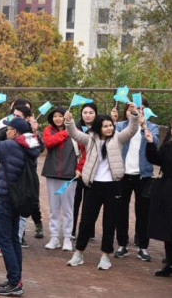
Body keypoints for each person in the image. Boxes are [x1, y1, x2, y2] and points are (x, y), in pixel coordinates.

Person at [64, 105, 140, 270]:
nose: (109, 128)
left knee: (109, 222)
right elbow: (74, 133)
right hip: (93, 186)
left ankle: (105, 256)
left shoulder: (118, 138)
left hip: (113, 186)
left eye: (110, 125)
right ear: (98, 127)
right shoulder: (90, 139)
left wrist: (134, 114)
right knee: (86, 221)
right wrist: (69, 122)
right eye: (105, 126)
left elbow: (132, 129)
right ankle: (78, 253)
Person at [0, 112, 41, 298]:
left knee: (4, 241)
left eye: (8, 129)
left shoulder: (11, 146)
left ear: (15, 132)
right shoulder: (30, 145)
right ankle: (15, 279)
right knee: (14, 240)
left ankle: (15, 282)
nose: (6, 131)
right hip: (18, 197)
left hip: (6, 197)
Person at [112, 101, 159, 262]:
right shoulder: (120, 126)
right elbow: (112, 140)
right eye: (132, 109)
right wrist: (114, 121)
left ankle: (143, 247)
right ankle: (122, 245)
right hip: (123, 175)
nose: (137, 112)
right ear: (127, 111)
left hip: (143, 176)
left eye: (141, 109)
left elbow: (155, 143)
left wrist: (143, 126)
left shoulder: (152, 127)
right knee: (121, 211)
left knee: (143, 213)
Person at [145, 118, 172, 278]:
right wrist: (150, 143)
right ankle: (171, 264)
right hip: (167, 191)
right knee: (167, 229)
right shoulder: (168, 146)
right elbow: (156, 160)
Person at [41, 106, 82, 252]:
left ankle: (67, 238)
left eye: (60, 116)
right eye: (55, 116)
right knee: (54, 208)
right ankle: (54, 238)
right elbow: (49, 142)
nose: (57, 119)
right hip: (52, 173)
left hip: (70, 175)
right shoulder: (48, 130)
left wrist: (79, 168)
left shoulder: (76, 131)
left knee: (68, 209)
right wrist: (65, 132)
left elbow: (83, 150)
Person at [72, 103, 97, 238]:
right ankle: (71, 230)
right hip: (76, 170)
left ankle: (88, 231)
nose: (87, 115)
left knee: (90, 204)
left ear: (96, 114)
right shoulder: (74, 128)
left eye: (91, 113)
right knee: (74, 202)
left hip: (92, 171)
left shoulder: (99, 129)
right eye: (85, 112)